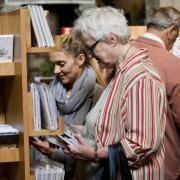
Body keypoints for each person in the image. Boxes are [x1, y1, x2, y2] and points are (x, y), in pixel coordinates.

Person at [63, 6, 167, 180]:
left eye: (91, 48)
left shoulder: (141, 78)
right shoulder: (118, 71)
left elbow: (142, 144)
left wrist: (94, 154)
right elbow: (112, 127)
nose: (91, 56)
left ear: (112, 39)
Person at [31, 34, 103, 180]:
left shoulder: (97, 93)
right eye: (53, 65)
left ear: (80, 60)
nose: (56, 71)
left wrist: (53, 153)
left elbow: (97, 145)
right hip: (48, 172)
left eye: (61, 64)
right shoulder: (50, 88)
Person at [131, 7, 180, 180]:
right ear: (172, 31)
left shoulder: (123, 54)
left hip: (124, 161)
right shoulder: (173, 65)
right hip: (161, 165)